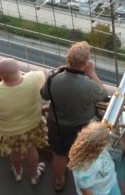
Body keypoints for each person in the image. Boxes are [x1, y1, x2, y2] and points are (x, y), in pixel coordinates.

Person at [41, 41, 109, 192]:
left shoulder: (53, 79)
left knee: (59, 155)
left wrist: (55, 74)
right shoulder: (89, 86)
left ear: (68, 60)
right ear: (85, 64)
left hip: (56, 126)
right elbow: (104, 94)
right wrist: (91, 73)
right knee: (84, 158)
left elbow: (44, 94)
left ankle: (58, 181)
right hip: (82, 128)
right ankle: (85, 185)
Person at [0, 58, 47, 185]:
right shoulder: (33, 79)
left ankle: (18, 173)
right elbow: (43, 74)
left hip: (8, 131)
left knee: (14, 152)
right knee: (31, 150)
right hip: (32, 126)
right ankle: (34, 175)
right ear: (18, 69)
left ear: (2, 75)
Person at [68, 121, 120, 195]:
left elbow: (102, 131)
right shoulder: (83, 169)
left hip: (111, 183)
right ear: (99, 145)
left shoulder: (97, 148)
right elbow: (85, 189)